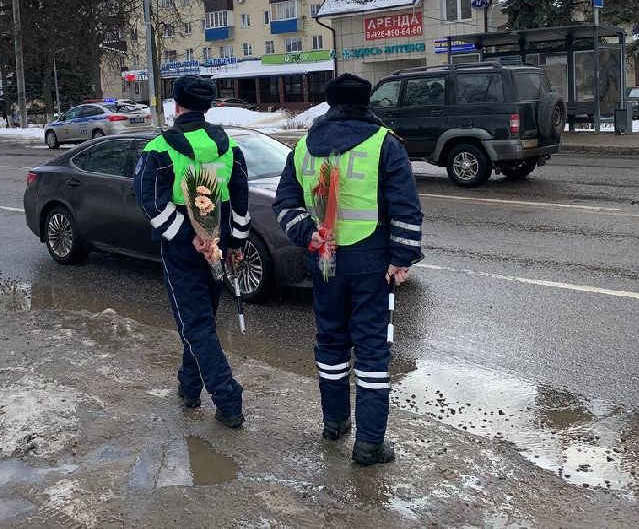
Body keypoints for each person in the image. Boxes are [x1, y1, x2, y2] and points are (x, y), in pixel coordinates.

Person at [273, 73, 423, 466]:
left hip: (323, 260)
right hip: (371, 261)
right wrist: (401, 257)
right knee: (372, 348)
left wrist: (309, 234)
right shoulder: (384, 143)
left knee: (331, 341)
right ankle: (369, 444)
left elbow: (284, 203)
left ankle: (335, 422)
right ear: (366, 102)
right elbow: (406, 206)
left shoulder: (304, 146)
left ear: (330, 103)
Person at [133, 76, 251, 427]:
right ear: (208, 106)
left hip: (183, 251)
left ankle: (228, 398)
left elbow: (150, 202)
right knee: (200, 322)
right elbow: (241, 201)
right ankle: (188, 387)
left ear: (176, 105)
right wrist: (235, 243)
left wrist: (188, 237)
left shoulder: (159, 149)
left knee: (196, 325)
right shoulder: (228, 147)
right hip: (217, 246)